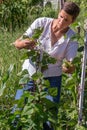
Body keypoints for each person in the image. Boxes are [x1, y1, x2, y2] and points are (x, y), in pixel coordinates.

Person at [14, 1, 80, 130]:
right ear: (58, 13)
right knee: (18, 109)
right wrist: (23, 44)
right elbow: (17, 43)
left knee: (50, 116)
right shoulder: (41, 23)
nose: (61, 21)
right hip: (30, 73)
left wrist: (69, 68)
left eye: (66, 20)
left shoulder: (72, 38)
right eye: (61, 16)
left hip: (52, 78)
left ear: (72, 22)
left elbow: (70, 65)